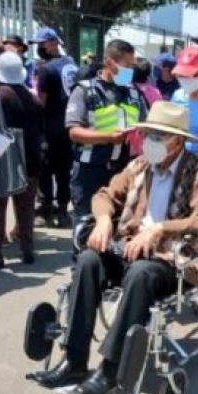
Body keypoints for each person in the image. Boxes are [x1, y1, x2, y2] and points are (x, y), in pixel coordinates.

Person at [31, 101, 198, 394]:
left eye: (158, 136)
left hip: (173, 260)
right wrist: (103, 220)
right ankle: (74, 361)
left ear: (178, 142)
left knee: (140, 272)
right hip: (131, 248)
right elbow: (104, 195)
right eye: (148, 133)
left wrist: (161, 228)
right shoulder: (138, 166)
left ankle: (110, 371)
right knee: (87, 259)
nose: (149, 141)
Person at [66, 39, 146, 242]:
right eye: (126, 66)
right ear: (109, 63)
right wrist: (108, 137)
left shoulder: (134, 93)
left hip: (122, 171)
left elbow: (147, 125)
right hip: (89, 171)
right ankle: (81, 270)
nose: (130, 71)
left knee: (118, 226)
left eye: (132, 66)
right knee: (86, 226)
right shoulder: (85, 91)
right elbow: (74, 131)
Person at [0, 52, 44, 269]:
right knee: (25, 208)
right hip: (31, 161)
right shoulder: (32, 98)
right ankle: (27, 250)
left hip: (0, 159)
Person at [31, 27, 79, 228]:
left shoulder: (46, 69)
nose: (39, 48)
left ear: (52, 43)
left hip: (49, 127)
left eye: (41, 44)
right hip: (68, 126)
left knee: (45, 170)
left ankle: (46, 210)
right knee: (64, 170)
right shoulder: (71, 64)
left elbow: (42, 101)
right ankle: (63, 211)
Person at [169, 45, 198, 158]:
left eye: (187, 75)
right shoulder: (177, 96)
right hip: (179, 159)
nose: (183, 79)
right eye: (180, 75)